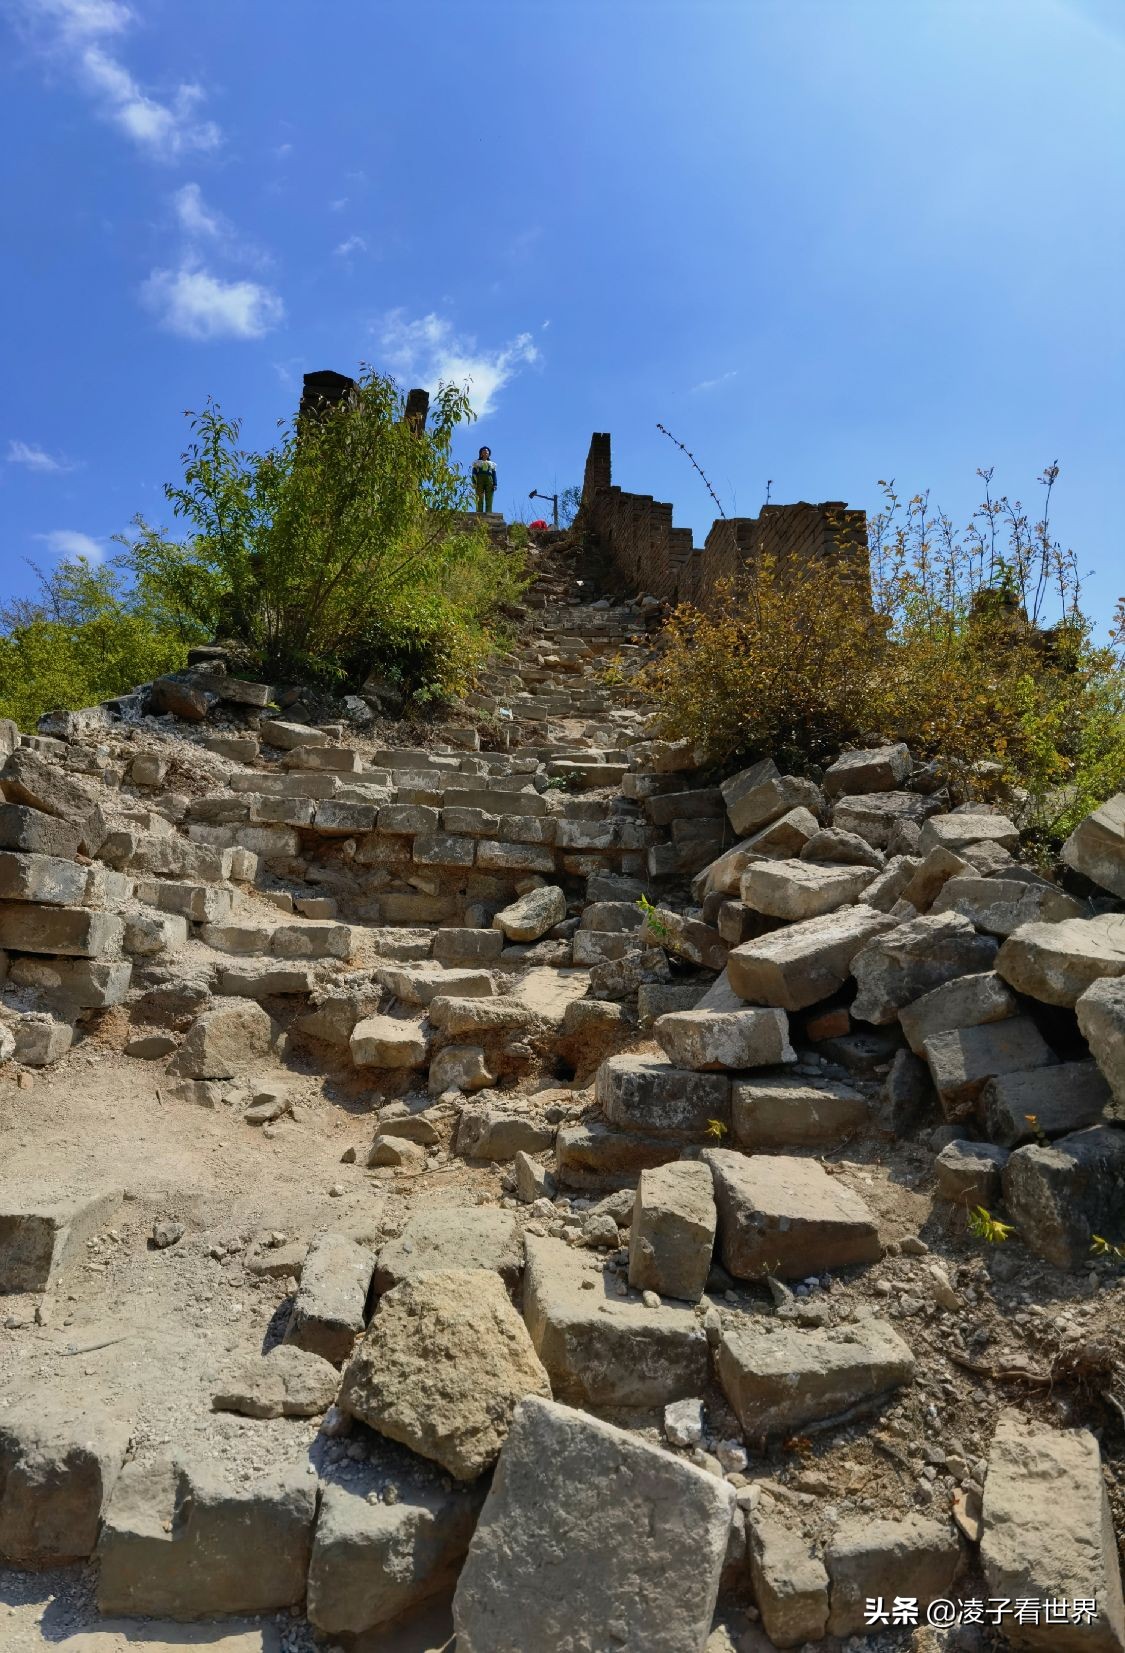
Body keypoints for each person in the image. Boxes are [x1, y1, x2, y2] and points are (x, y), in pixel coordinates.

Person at [471, 446, 497, 514]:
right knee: (479, 496)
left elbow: (494, 474)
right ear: (481, 453)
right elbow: (474, 473)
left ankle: (489, 511)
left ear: (489, 454)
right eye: (484, 451)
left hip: (489, 479)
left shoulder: (492, 464)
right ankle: (479, 511)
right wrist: (474, 482)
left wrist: (495, 484)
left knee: (489, 496)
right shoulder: (477, 462)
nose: (485, 451)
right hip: (479, 479)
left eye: (487, 451)